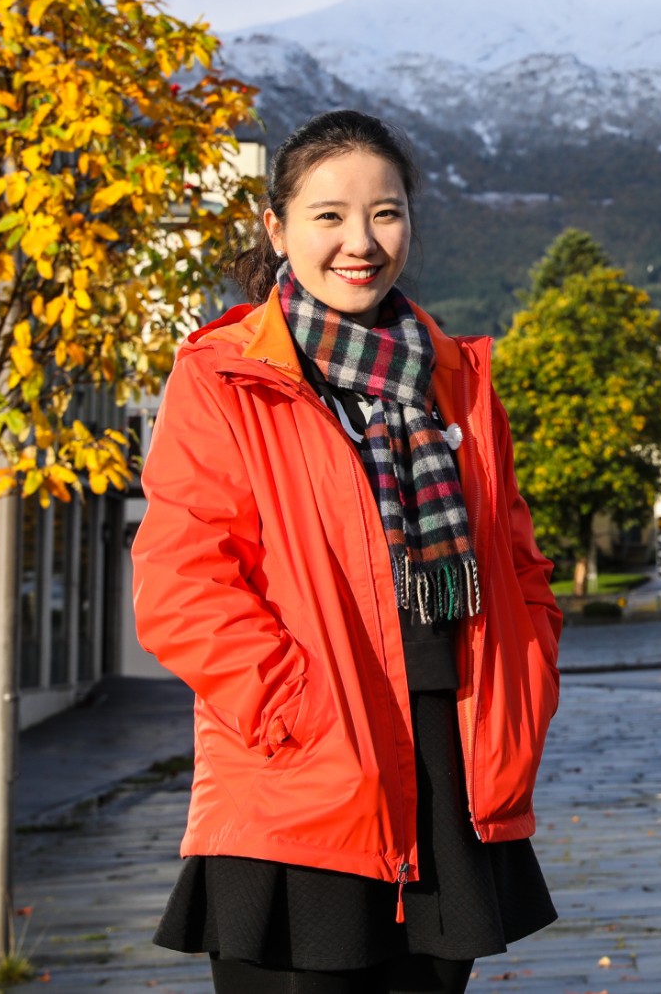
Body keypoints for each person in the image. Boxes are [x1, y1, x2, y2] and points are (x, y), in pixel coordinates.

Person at [134, 111, 562, 994]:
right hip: (303, 773)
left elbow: (518, 563)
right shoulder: (223, 378)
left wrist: (532, 677)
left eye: (386, 212)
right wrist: (299, 710)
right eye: (329, 215)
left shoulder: (458, 378)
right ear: (277, 228)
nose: (359, 241)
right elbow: (183, 581)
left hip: (452, 772)